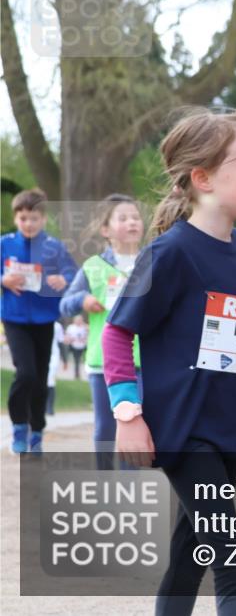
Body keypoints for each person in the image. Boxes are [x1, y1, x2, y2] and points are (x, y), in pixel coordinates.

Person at [102, 108, 236, 616]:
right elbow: (117, 331)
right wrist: (128, 414)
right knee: (233, 558)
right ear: (202, 178)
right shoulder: (170, 253)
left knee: (190, 554)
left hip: (227, 427)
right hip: (181, 430)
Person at [60, 194, 145, 469]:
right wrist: (83, 299)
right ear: (105, 229)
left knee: (135, 424)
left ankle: (130, 483)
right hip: (103, 362)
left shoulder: (153, 263)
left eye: (136, 217)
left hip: (146, 361)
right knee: (106, 428)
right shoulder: (92, 267)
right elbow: (65, 303)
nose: (132, 222)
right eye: (123, 218)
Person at [1, 188, 77, 453]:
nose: (28, 223)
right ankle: (19, 427)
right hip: (14, 319)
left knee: (41, 379)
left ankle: (37, 431)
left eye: (34, 218)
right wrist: (3, 280)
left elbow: (73, 273)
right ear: (15, 218)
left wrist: (64, 279)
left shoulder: (54, 247)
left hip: (45, 320)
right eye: (23, 218)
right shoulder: (5, 244)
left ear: (43, 219)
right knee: (26, 373)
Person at [45, 320, 63, 415]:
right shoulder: (40, 322)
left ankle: (50, 408)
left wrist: (65, 360)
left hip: (53, 355)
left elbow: (60, 342)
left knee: (50, 381)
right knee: (41, 380)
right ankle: (41, 406)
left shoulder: (58, 326)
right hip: (41, 354)